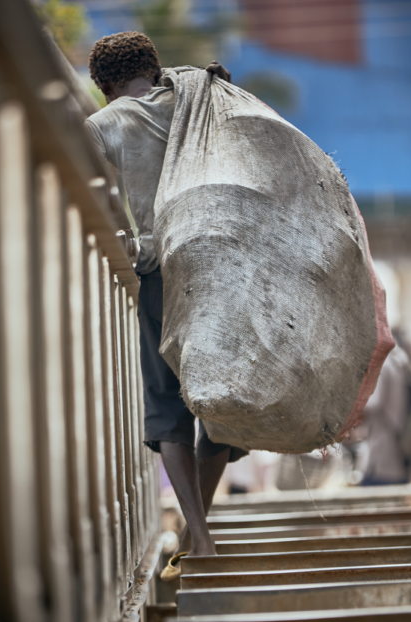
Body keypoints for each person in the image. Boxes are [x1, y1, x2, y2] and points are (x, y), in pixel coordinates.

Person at [84, 32, 244, 579]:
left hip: (159, 274)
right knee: (221, 403)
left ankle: (199, 537)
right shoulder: (202, 100)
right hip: (222, 267)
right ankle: (196, 529)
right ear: (154, 68)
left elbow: (105, 214)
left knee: (167, 406)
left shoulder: (106, 124)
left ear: (104, 87)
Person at [356, 344, 410, 486]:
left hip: (382, 461)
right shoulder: (395, 362)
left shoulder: (383, 365)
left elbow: (372, 404)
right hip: (394, 455)